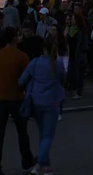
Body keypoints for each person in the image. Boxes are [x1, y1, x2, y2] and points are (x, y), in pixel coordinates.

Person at [19, 39, 65, 175]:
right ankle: (39, 165)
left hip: (36, 101)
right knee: (48, 135)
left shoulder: (35, 62)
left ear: (44, 49)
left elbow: (21, 80)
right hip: (53, 102)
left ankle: (46, 166)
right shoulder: (58, 63)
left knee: (43, 134)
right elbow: (63, 80)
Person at [0, 27, 35, 175]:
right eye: (18, 36)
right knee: (22, 132)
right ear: (13, 38)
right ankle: (27, 161)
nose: (20, 38)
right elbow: (27, 78)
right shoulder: (22, 56)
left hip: (0, 98)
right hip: (17, 98)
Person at [66, 14, 88, 99]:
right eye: (71, 19)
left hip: (79, 54)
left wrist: (82, 51)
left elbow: (84, 43)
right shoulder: (70, 29)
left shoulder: (81, 30)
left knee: (79, 74)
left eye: (73, 19)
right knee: (71, 73)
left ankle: (79, 92)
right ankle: (72, 89)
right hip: (71, 54)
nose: (72, 21)